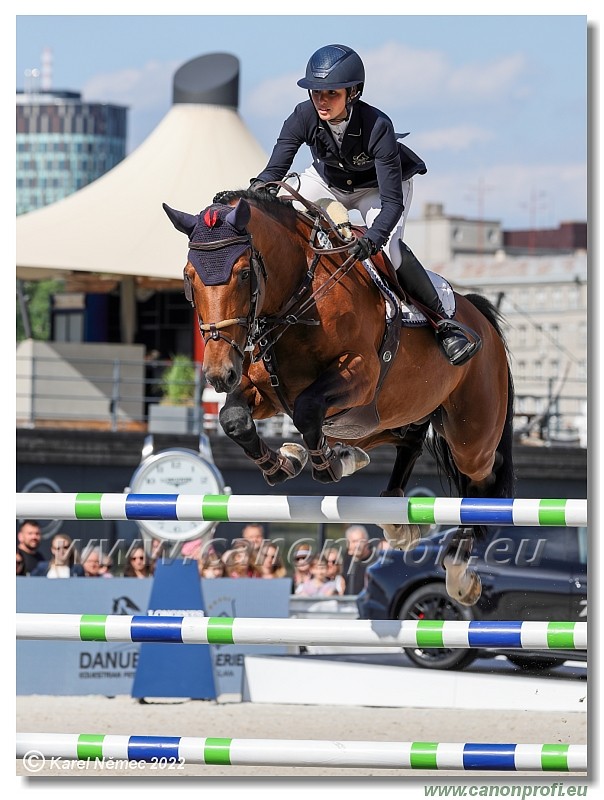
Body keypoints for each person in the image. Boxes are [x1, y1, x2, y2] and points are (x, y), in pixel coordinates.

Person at [250, 43, 480, 367]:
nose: (321, 100)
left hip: (378, 189)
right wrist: (248, 196)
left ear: (353, 92)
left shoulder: (377, 126)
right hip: (329, 181)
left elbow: (391, 204)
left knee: (391, 251)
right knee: (288, 193)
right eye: (316, 92)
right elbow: (272, 174)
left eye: (331, 93)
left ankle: (443, 323)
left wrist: (372, 239)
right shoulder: (303, 115)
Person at [341, 524, 374, 595]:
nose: (357, 545)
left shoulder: (375, 560)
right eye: (354, 541)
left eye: (360, 541)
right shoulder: (347, 560)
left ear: (367, 542)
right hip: (348, 603)